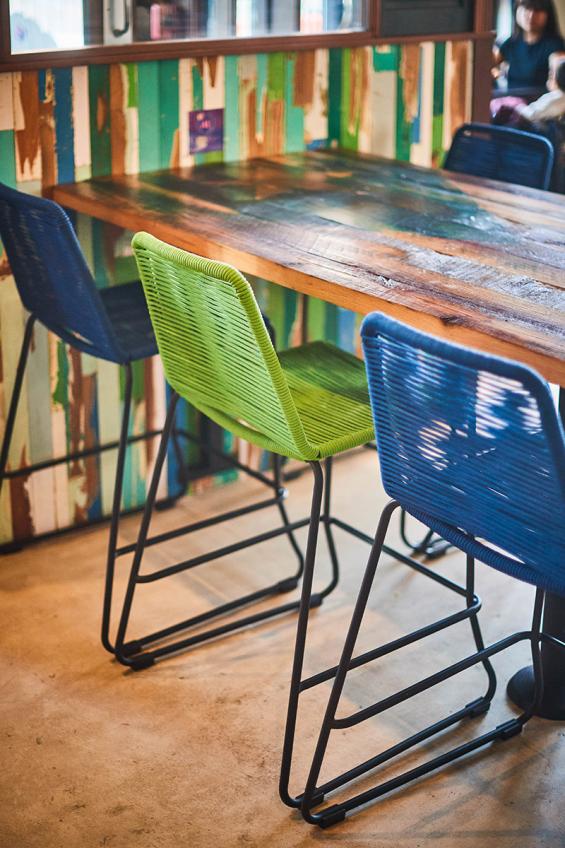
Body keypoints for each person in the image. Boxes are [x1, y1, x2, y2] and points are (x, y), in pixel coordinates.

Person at [493, 0, 564, 90]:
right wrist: (495, 72)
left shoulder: (556, 45)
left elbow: (558, 83)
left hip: (542, 102)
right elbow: (487, 65)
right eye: (526, 8)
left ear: (548, 14)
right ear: (516, 10)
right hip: (512, 100)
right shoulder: (510, 43)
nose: (531, 15)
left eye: (537, 10)